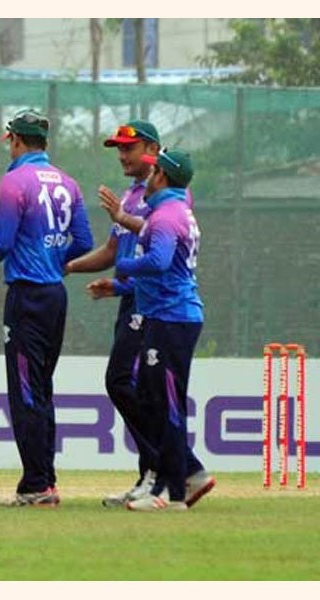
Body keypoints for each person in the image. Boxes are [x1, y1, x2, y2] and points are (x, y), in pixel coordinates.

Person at [65, 121, 214, 508]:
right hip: (144, 301)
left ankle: (169, 477)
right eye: (118, 147)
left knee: (137, 388)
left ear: (154, 154)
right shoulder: (140, 199)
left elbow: (154, 255)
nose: (122, 155)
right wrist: (74, 268)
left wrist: (125, 272)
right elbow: (118, 248)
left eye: (129, 148)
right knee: (144, 391)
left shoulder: (168, 202)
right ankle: (168, 474)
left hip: (161, 309)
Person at [0, 109, 94, 507]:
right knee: (42, 388)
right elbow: (84, 241)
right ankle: (45, 481)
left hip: (27, 296)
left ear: (16, 141)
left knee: (25, 392)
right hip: (55, 295)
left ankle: (36, 484)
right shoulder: (68, 184)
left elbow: (1, 241)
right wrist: (54, 260)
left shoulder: (13, 181)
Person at [110, 148, 212, 511]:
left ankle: (171, 493)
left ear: (162, 177)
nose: (148, 176)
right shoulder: (169, 211)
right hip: (166, 315)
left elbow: (159, 261)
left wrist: (124, 265)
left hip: (172, 318)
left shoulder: (167, 215)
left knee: (165, 403)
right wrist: (119, 287)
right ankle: (177, 487)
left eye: (154, 172)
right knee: (156, 400)